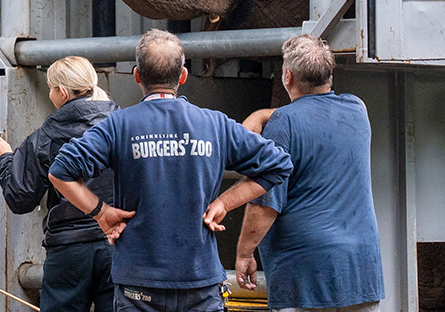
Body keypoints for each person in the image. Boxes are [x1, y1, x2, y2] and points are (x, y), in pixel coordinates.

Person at [48, 29, 293, 312]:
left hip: (139, 285)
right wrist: (225, 202)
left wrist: (101, 212)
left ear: (137, 75)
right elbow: (278, 165)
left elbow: (60, 171)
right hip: (199, 282)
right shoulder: (214, 124)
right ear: (183, 76)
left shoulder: (118, 125)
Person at [230, 34, 385, 311]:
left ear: (287, 77)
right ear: (329, 75)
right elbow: (315, 111)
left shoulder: (284, 124)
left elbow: (265, 202)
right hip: (360, 271)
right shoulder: (357, 109)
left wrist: (244, 253)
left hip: (306, 277)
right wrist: (269, 115)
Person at [0, 56, 120, 312]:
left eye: (50, 88)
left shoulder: (46, 136)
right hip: (117, 243)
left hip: (69, 248)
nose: (49, 93)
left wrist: (5, 159)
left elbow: (20, 197)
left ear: (63, 92)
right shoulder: (121, 125)